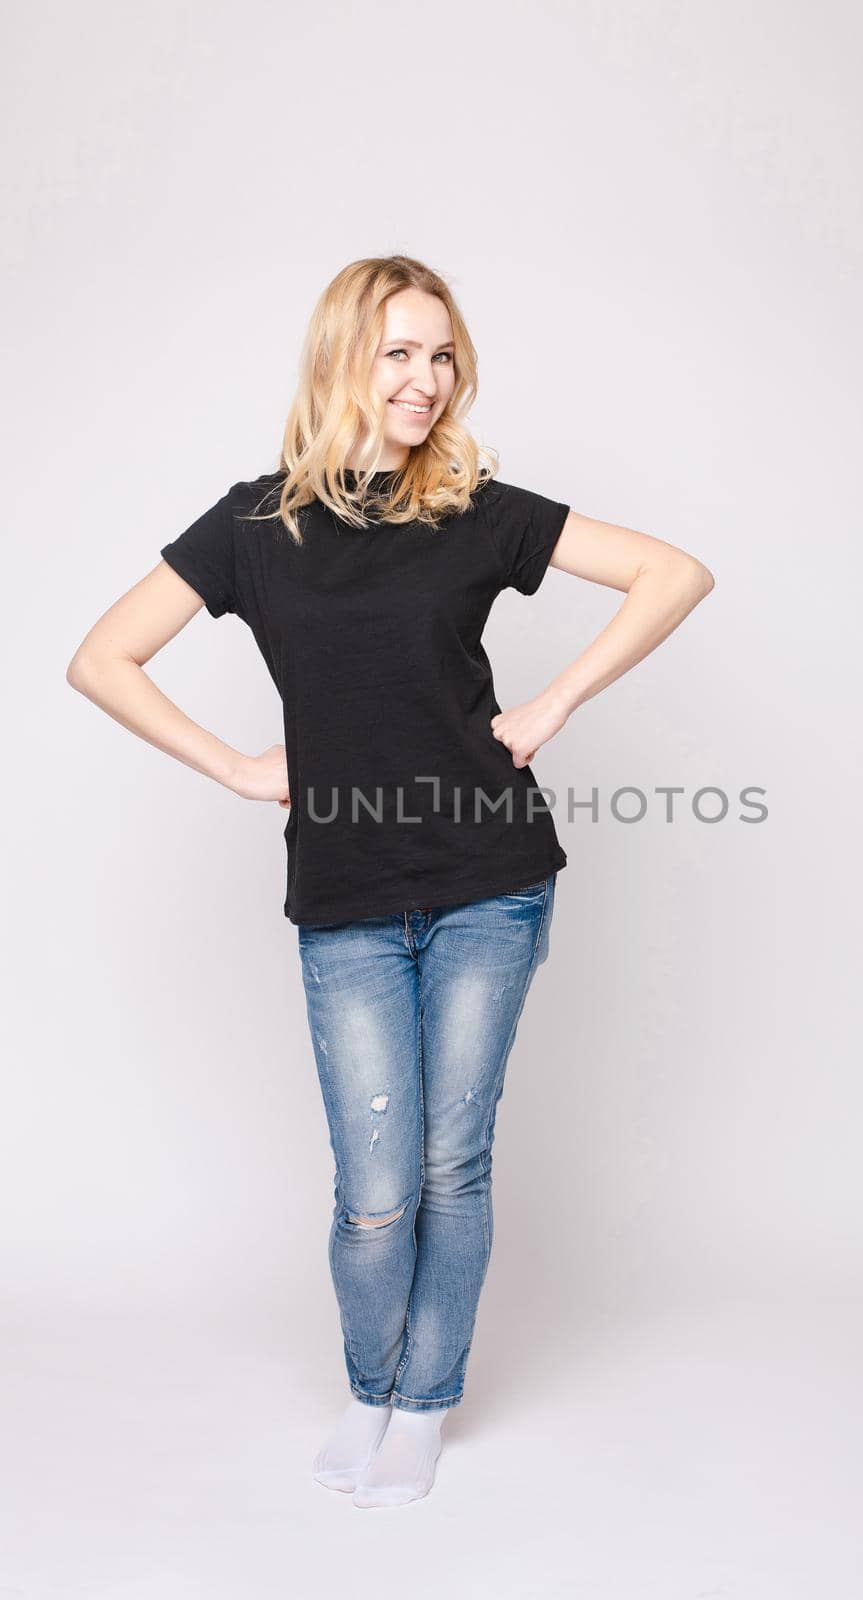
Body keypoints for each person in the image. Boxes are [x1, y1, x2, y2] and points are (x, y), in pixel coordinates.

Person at [65, 254, 715, 1509]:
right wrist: (240, 768)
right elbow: (102, 657)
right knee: (373, 1188)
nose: (425, 380)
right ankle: (369, 1386)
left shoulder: (477, 507)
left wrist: (551, 706)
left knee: (449, 1168)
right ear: (340, 362)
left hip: (490, 877)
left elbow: (673, 571)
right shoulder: (253, 527)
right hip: (347, 893)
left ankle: (423, 1407)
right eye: (398, 353)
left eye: (442, 355)